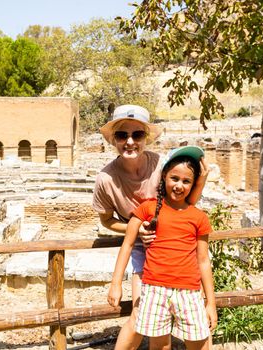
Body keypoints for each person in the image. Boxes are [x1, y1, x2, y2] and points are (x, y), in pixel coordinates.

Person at [92, 105, 209, 349]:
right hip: (140, 246)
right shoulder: (105, 179)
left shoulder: (159, 164)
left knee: (197, 323)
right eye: (123, 135)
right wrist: (137, 230)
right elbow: (106, 220)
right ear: (114, 139)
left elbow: (183, 204)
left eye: (138, 135)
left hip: (173, 246)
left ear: (146, 138)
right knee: (138, 315)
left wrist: (200, 183)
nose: (130, 142)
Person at [107, 145, 217, 350]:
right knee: (159, 346)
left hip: (190, 292)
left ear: (194, 184)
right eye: (174, 179)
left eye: (186, 181)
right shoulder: (147, 208)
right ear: (164, 176)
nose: (179, 186)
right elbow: (128, 244)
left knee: (200, 344)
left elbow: (203, 260)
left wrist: (210, 302)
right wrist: (116, 283)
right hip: (154, 290)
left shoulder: (198, 217)